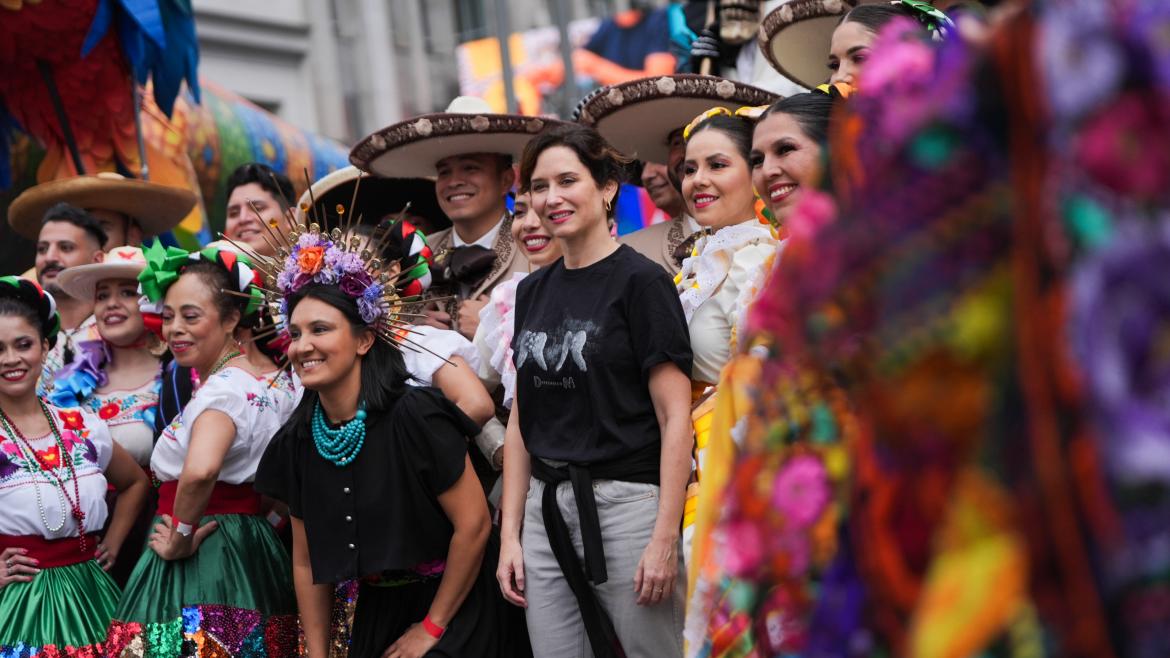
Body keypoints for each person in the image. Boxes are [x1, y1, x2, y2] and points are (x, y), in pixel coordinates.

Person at [253, 221, 530, 658]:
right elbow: (306, 562)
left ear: (364, 339)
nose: (303, 346)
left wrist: (431, 628)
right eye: (296, 333)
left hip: (458, 598)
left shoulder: (415, 415)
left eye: (321, 329)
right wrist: (317, 653)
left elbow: (473, 526)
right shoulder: (300, 440)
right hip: (379, 607)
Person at [497, 123, 693, 657]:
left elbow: (676, 417)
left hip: (628, 506)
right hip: (545, 511)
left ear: (606, 187)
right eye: (539, 186)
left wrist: (664, 535)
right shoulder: (531, 290)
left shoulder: (642, 283)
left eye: (567, 180)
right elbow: (521, 421)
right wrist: (510, 535)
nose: (551, 198)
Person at [106, 245, 300, 658]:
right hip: (249, 543)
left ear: (232, 318)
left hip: (204, 550)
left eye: (191, 316)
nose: (175, 329)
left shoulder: (223, 391)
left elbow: (199, 471)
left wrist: (181, 536)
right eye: (170, 315)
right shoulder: (270, 383)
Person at [0, 276, 150, 656]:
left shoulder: (81, 424)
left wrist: (113, 543)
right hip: (20, 604)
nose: (11, 359)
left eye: (23, 345)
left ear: (45, 347)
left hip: (93, 594)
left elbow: (135, 482)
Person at [350, 96, 567, 341]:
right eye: (444, 172)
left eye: (470, 168)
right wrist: (410, 328)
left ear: (506, 180)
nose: (454, 182)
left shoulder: (540, 247)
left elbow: (564, 334)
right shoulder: (410, 255)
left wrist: (494, 330)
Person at [575, 74, 777, 275]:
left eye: (716, 164)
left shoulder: (790, 244)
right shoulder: (629, 253)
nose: (699, 178)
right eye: (678, 142)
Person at [51, 246, 164, 586]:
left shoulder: (180, 377)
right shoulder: (71, 381)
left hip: (155, 535)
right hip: (86, 539)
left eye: (128, 293)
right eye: (103, 295)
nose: (112, 303)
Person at [473, 191, 562, 414]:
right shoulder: (508, 300)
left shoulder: (627, 283)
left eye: (546, 210)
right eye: (520, 212)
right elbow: (470, 391)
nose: (529, 224)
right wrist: (496, 446)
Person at [7, 172, 197, 250]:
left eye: (101, 228)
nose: (87, 240)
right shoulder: (38, 295)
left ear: (133, 236)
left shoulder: (155, 302)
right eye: (80, 230)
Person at [32, 203, 107, 393]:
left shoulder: (121, 328)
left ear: (96, 260)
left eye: (65, 248)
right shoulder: (22, 332)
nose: (49, 257)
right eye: (42, 249)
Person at [223, 163, 297, 259]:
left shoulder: (321, 268)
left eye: (257, 208)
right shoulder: (208, 271)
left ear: (290, 219)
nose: (243, 218)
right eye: (233, 213)